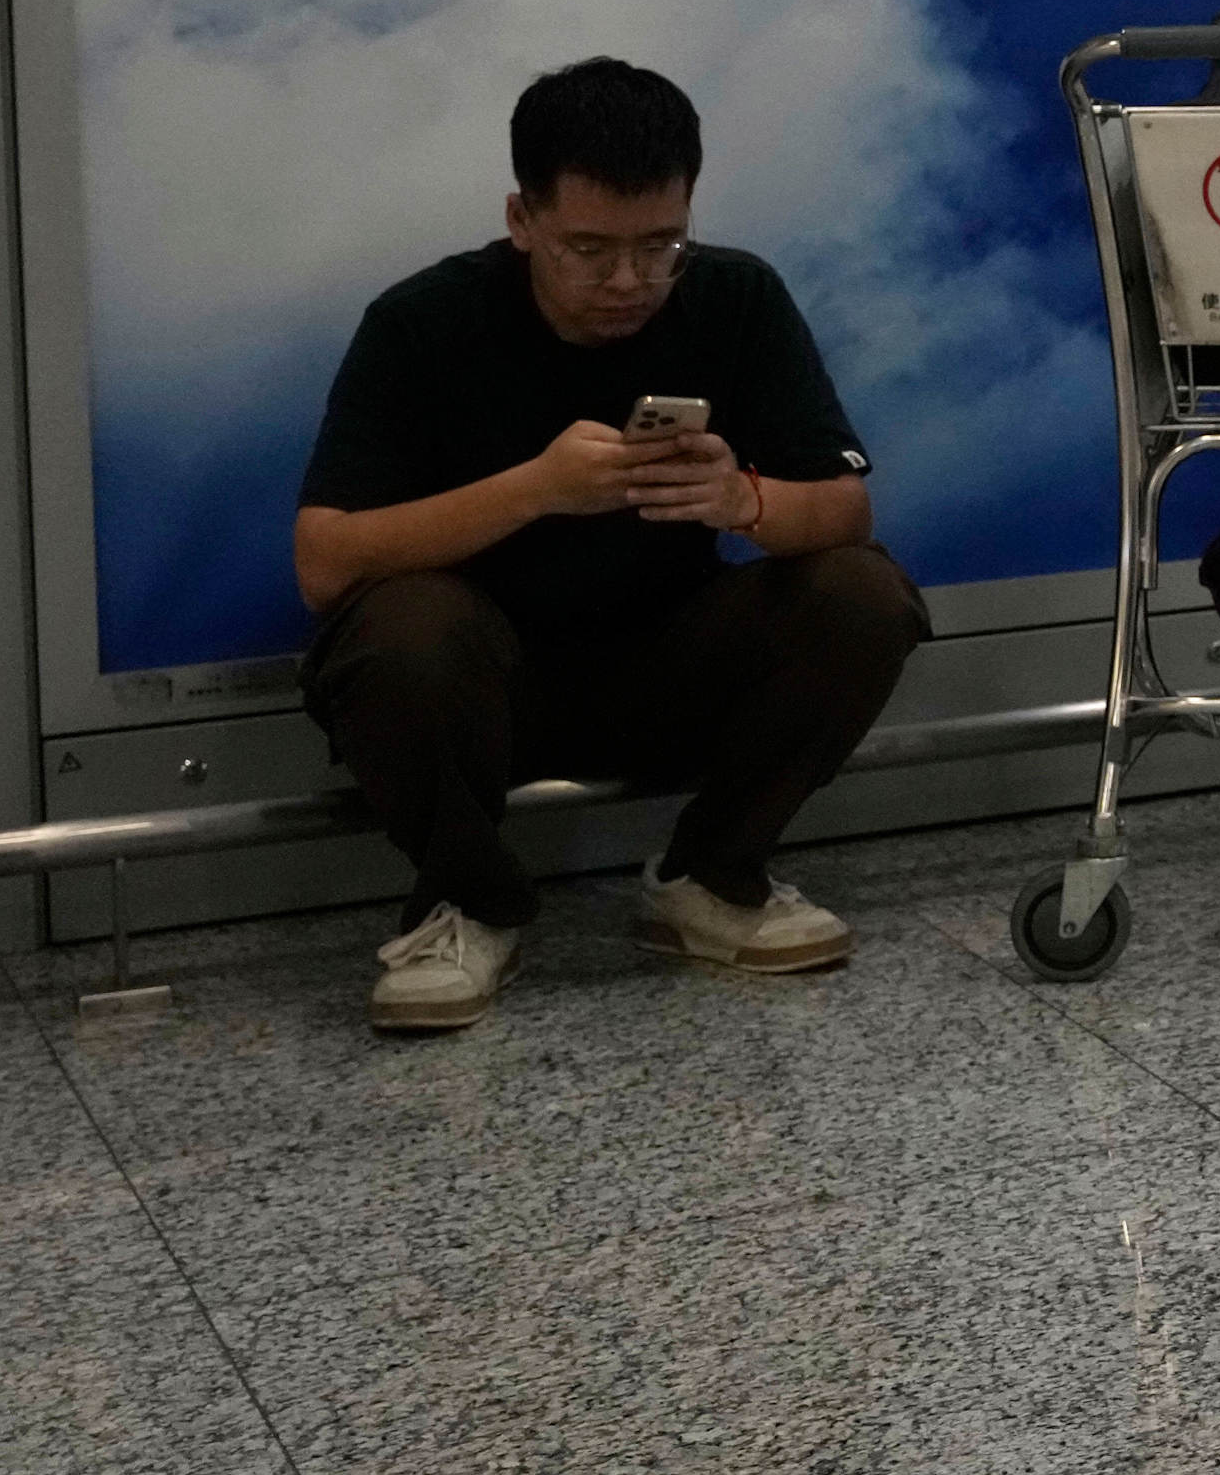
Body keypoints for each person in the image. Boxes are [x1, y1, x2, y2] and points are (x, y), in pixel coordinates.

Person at [295, 58, 926, 1032]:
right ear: (523, 220)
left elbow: (846, 514)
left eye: (660, 243)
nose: (629, 279)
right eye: (588, 249)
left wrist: (742, 498)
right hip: (482, 682)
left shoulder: (736, 298)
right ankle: (470, 903)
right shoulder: (422, 324)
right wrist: (533, 490)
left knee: (862, 594)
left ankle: (712, 877)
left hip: (667, 660)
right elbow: (324, 563)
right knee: (402, 626)